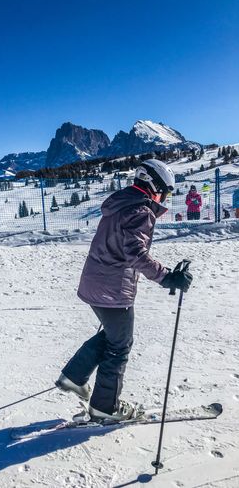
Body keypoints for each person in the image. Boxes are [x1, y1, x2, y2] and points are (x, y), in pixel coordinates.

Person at [55, 159, 193, 421]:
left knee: (113, 336)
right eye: (167, 190)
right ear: (155, 186)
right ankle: (104, 408)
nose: (166, 196)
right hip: (113, 289)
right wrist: (168, 278)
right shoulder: (140, 210)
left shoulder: (123, 203)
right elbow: (136, 254)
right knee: (120, 345)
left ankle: (74, 377)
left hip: (96, 283)